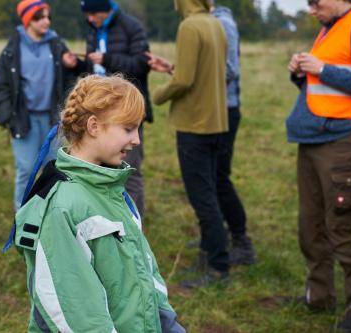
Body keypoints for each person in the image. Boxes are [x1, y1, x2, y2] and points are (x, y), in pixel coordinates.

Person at [12, 75, 185, 332]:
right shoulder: (62, 207)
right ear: (94, 126)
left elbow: (144, 269)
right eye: (128, 128)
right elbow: (77, 313)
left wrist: (167, 323)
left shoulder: (114, 191)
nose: (136, 139)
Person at [285, 0, 351, 332]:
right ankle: (318, 297)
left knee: (342, 227)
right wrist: (300, 73)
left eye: (316, 2)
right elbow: (325, 87)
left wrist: (321, 68)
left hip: (339, 141)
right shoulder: (331, 26)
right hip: (313, 136)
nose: (311, 8)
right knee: (311, 226)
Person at [148, 0, 229, 288]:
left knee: (202, 197)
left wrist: (157, 94)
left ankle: (218, 266)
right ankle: (210, 254)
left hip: (194, 125)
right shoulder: (215, 24)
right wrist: (173, 69)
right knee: (210, 192)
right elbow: (205, 72)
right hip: (216, 122)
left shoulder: (189, 26)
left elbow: (184, 80)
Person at [0, 0, 78, 211]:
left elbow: (71, 81)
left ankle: (55, 212)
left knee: (56, 167)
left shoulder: (57, 44)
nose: (46, 21)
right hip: (23, 119)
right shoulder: (13, 48)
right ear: (28, 20)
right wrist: (7, 118)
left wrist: (72, 66)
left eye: (48, 16)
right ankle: (22, 216)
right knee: (27, 169)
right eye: (40, 17)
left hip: (53, 119)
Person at [77, 0, 152, 217]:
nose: (89, 19)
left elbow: (141, 64)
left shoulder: (132, 27)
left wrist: (108, 59)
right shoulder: (92, 29)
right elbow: (94, 69)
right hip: (98, 112)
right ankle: (106, 218)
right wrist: (79, 66)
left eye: (92, 14)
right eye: (87, 15)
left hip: (127, 111)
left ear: (104, 9)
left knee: (129, 170)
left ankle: (133, 224)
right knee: (100, 167)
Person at [209, 1, 256, 265]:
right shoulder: (210, 21)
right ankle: (219, 233)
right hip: (214, 109)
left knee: (219, 177)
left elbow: (230, 69)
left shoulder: (223, 23)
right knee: (211, 177)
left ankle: (241, 240)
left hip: (225, 110)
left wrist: (194, 80)